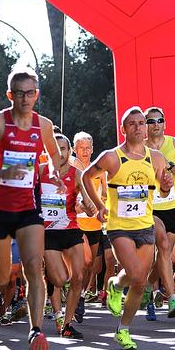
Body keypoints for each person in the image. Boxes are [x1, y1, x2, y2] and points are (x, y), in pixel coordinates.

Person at [0, 67, 63, 350]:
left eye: (29, 93)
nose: (24, 99)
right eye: (19, 93)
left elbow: (54, 155)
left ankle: (36, 330)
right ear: (10, 95)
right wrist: (0, 172)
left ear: (37, 94)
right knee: (2, 277)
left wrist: (54, 172)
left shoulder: (43, 125)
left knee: (34, 266)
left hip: (29, 208)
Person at [83, 107, 173, 350]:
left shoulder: (156, 158)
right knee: (134, 273)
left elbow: (164, 191)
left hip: (145, 225)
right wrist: (99, 205)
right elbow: (86, 177)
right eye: (132, 123)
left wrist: (166, 186)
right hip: (119, 227)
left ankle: (123, 329)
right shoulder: (112, 157)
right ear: (123, 129)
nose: (138, 127)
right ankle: (115, 284)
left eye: (141, 123)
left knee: (140, 282)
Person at [40, 133, 96, 338]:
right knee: (59, 279)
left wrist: (87, 206)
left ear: (69, 151)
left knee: (78, 277)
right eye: (54, 148)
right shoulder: (39, 172)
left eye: (63, 148)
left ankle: (67, 324)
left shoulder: (76, 174)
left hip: (71, 229)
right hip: (47, 232)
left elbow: (88, 206)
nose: (59, 152)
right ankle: (57, 312)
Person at [144, 106, 175, 318]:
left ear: (165, 123)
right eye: (150, 121)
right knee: (164, 246)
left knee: (164, 255)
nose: (155, 124)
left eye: (159, 120)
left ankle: (148, 286)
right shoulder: (140, 148)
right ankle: (172, 298)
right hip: (151, 208)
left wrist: (170, 166)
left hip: (173, 207)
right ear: (145, 126)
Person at [71, 132, 110, 313]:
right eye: (81, 148)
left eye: (88, 148)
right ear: (74, 149)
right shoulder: (70, 168)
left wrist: (100, 204)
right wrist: (77, 205)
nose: (85, 151)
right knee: (84, 260)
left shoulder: (99, 169)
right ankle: (73, 294)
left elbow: (106, 194)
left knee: (90, 265)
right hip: (76, 222)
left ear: (93, 149)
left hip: (94, 223)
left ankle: (81, 295)